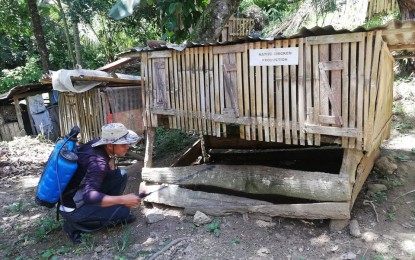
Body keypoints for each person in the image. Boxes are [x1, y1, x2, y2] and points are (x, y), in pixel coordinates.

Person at [59, 123, 143, 243]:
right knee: (124, 212)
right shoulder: (98, 164)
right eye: (124, 144)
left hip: (73, 194)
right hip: (73, 208)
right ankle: (74, 225)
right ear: (109, 145)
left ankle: (106, 208)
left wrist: (110, 159)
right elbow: (89, 197)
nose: (127, 147)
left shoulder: (94, 144)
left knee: (120, 175)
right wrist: (122, 199)